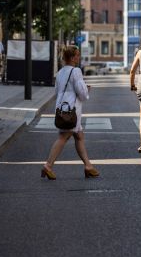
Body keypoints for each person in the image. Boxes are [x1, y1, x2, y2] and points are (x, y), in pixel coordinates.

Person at [41, 45, 99, 180]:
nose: (79, 57)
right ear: (72, 58)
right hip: (72, 110)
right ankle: (48, 165)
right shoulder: (76, 71)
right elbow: (82, 93)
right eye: (77, 55)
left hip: (62, 108)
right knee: (63, 136)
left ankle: (88, 166)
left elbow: (57, 91)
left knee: (79, 136)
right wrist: (86, 90)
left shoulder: (61, 72)